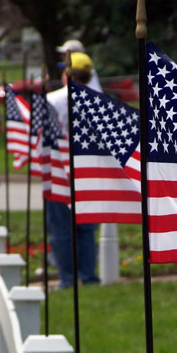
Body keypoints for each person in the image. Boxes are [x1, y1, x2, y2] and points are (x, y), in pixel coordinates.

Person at [46, 51, 100, 287]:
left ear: (67, 73)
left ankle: (67, 279)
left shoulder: (54, 100)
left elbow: (43, 137)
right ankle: (88, 277)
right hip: (90, 171)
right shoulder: (99, 99)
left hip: (60, 169)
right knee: (86, 229)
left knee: (62, 231)